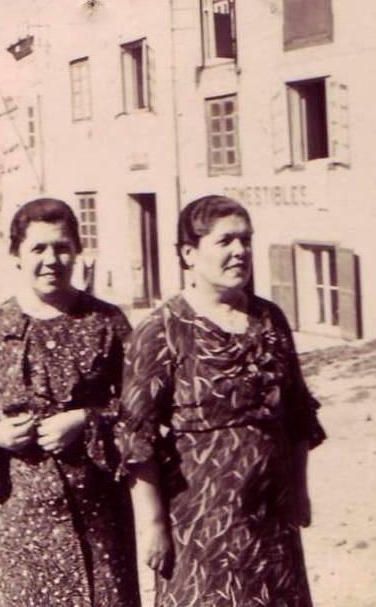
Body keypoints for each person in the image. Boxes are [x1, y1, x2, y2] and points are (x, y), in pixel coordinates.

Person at [117, 195, 326, 607]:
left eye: (246, 240)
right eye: (226, 241)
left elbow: (298, 416)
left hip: (272, 517)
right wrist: (154, 524)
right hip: (201, 521)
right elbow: (135, 439)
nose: (240, 252)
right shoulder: (161, 330)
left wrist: (300, 492)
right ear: (189, 254)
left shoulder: (270, 320)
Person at [0, 198, 140, 607]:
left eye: (61, 247)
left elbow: (139, 407)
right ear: (16, 256)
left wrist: (88, 420)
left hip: (100, 511)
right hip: (25, 518)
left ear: (77, 250)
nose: (51, 260)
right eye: (37, 248)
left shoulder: (107, 323)